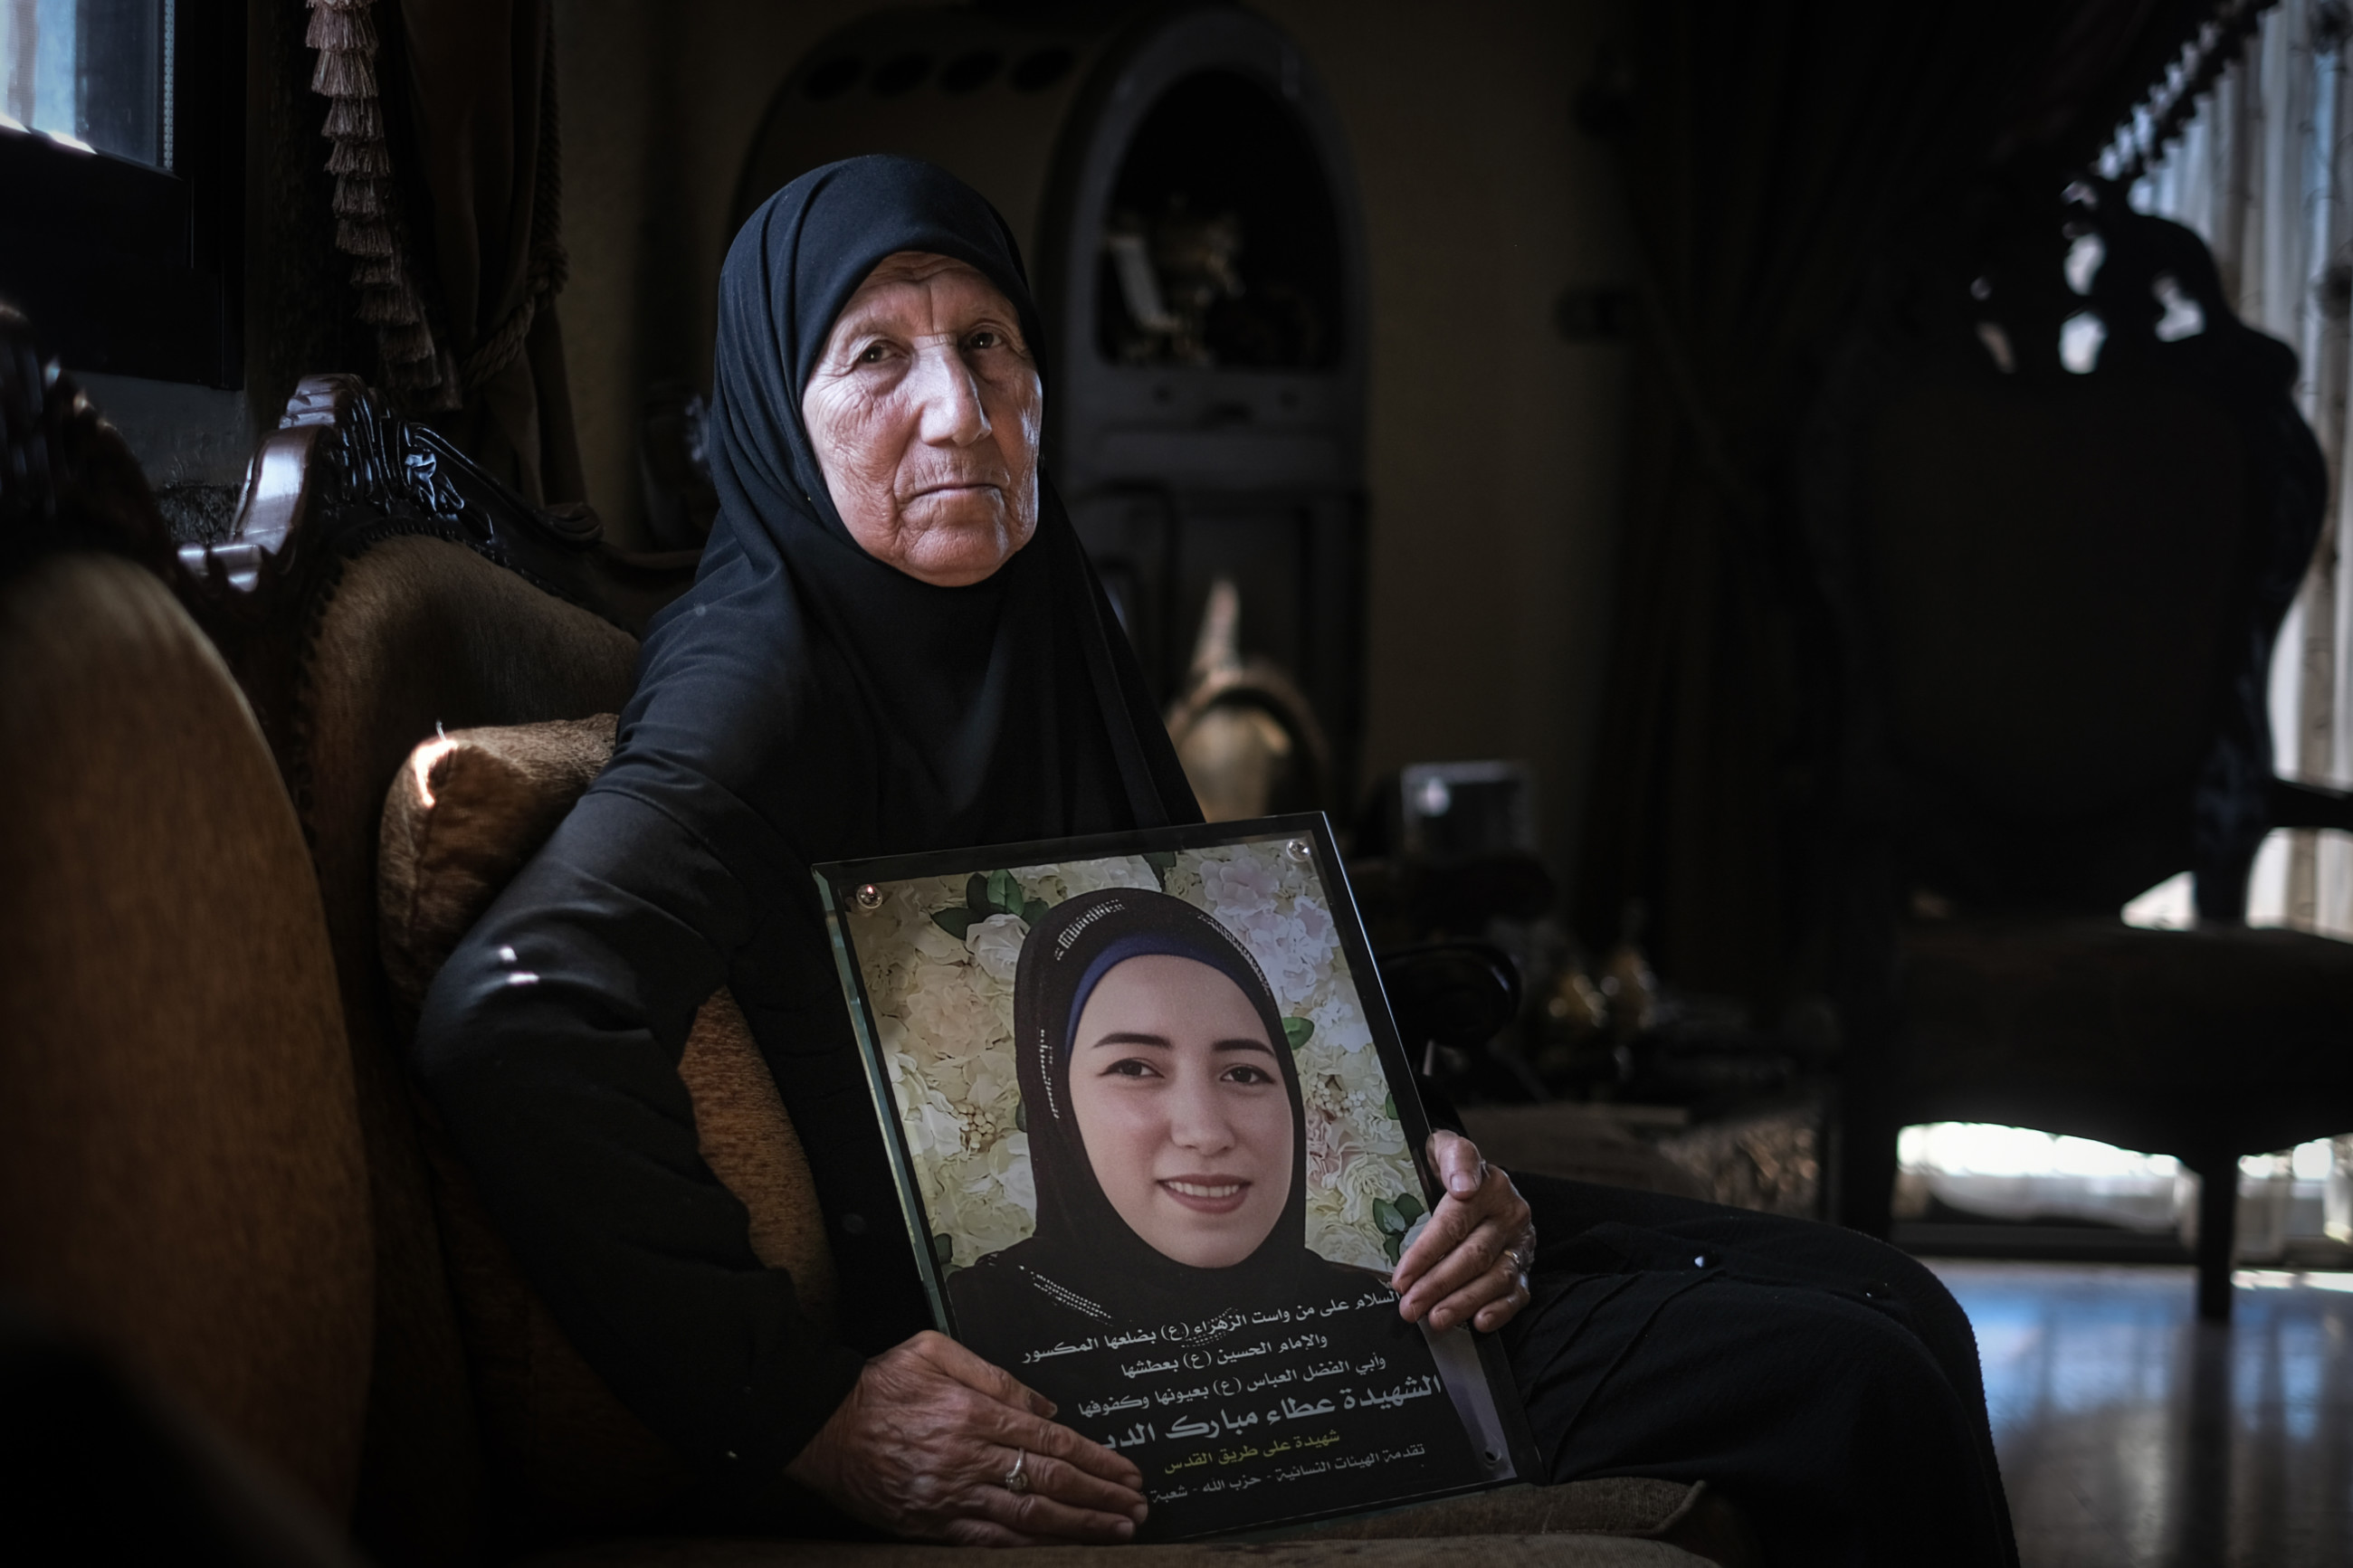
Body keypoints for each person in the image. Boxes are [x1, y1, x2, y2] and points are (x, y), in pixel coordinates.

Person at [414, 154, 2017, 1564]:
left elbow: (1211, 971)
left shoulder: (1045, 617)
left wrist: (1436, 1169)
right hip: (1100, 1352)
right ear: (776, 406)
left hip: (1248, 1251)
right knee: (1852, 1381)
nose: (956, 409)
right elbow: (520, 1008)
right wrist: (811, 1410)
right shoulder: (757, 675)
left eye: (989, 346)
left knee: (1894, 1298)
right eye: (875, 356)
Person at [947, 889, 1514, 1537]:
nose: (1206, 1131)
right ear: (1055, 1099)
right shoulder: (971, 1334)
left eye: (1244, 1073)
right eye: (1135, 1066)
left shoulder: (1384, 1307)